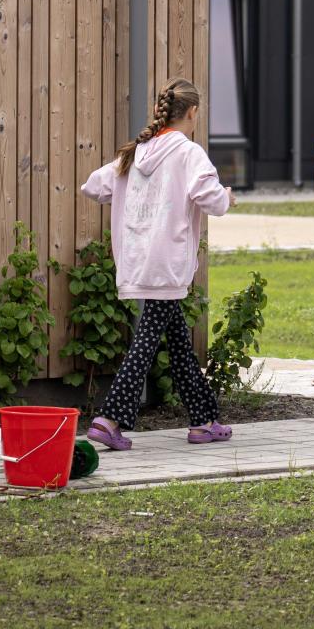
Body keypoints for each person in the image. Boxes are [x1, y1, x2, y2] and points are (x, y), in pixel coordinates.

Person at [79, 78, 234, 449]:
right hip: (167, 263)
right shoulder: (188, 153)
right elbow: (208, 197)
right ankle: (110, 418)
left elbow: (93, 186)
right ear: (193, 112)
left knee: (178, 340)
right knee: (147, 340)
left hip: (137, 261)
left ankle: (203, 419)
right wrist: (226, 197)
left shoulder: (135, 154)